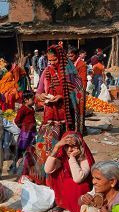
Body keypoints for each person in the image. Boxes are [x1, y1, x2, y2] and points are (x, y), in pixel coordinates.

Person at [24, 44, 82, 185]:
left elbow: (79, 92)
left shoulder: (70, 73)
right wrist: (41, 96)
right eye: (49, 61)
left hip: (66, 120)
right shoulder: (46, 72)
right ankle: (45, 180)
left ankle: (64, 182)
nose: (51, 63)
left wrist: (62, 97)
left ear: (61, 58)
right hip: (49, 118)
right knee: (45, 149)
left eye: (54, 60)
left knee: (66, 152)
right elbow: (38, 93)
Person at [44, 132, 94, 212]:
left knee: (80, 185)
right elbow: (47, 170)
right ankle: (62, 203)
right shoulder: (63, 157)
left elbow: (78, 178)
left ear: (80, 147)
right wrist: (56, 147)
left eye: (73, 146)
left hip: (80, 191)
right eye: (67, 146)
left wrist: (72, 158)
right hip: (65, 189)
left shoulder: (85, 158)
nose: (70, 150)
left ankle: (75, 207)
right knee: (55, 173)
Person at [12, 91, 37, 174]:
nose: (34, 101)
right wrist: (23, 127)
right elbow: (17, 120)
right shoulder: (23, 109)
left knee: (31, 148)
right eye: (32, 99)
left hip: (32, 132)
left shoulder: (31, 108)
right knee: (23, 149)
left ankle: (27, 165)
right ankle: (17, 167)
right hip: (26, 133)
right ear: (26, 100)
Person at [68, 47, 87, 135]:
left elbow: (83, 80)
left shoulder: (81, 64)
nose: (69, 57)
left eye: (71, 56)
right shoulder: (69, 64)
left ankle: (80, 129)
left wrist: (81, 92)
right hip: (70, 90)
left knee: (79, 109)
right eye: (68, 55)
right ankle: (72, 128)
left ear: (76, 55)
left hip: (78, 91)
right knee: (71, 109)